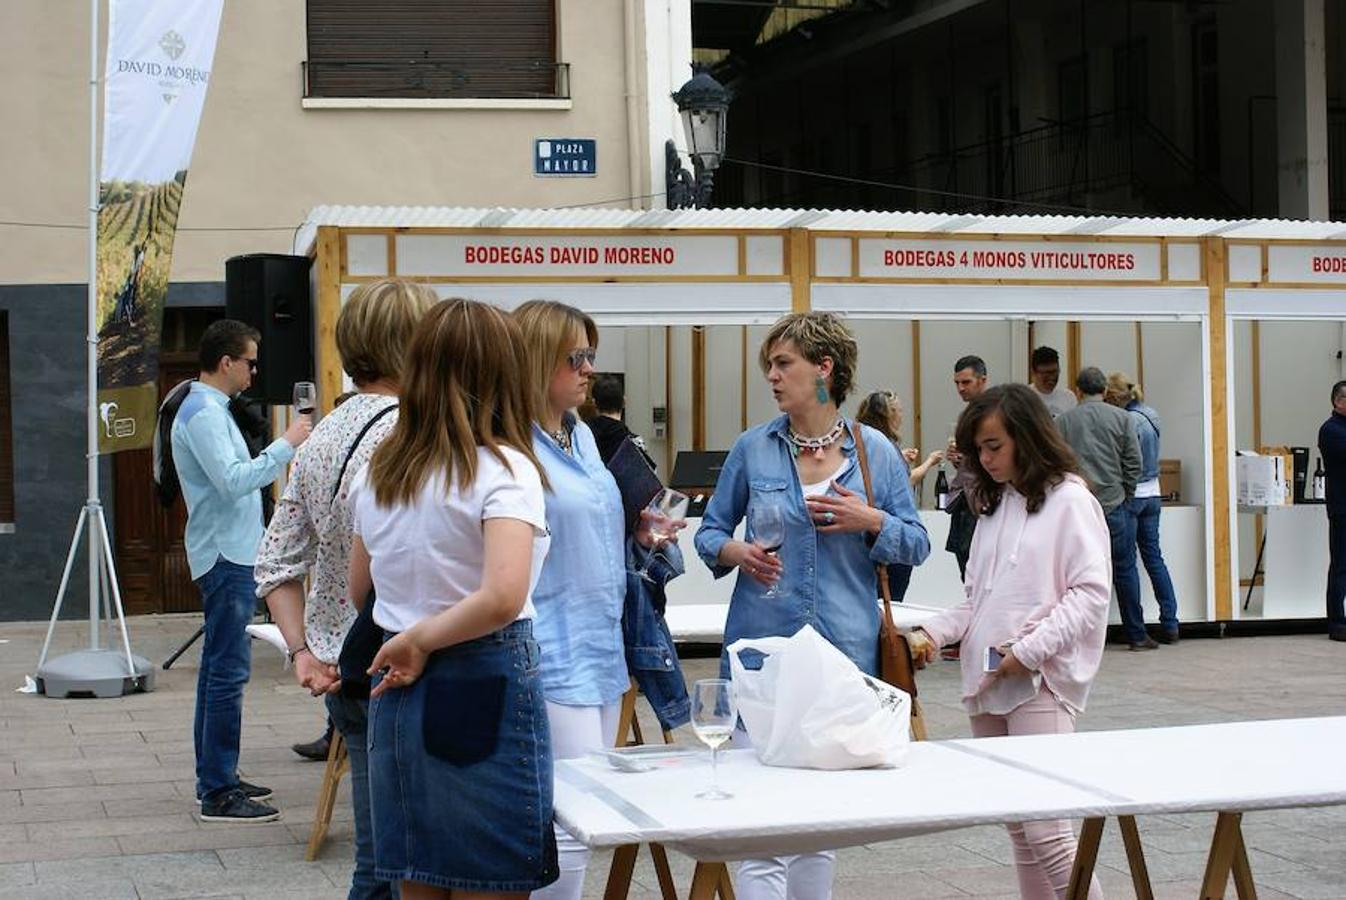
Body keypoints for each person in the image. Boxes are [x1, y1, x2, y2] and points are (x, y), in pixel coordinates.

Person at [695, 312, 929, 900]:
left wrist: (870, 519)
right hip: (763, 654)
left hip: (844, 657)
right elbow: (707, 533)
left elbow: (917, 542)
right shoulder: (754, 447)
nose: (771, 377)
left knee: (817, 828)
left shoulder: (874, 453)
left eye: (783, 364)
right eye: (769, 366)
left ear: (824, 369)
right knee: (760, 828)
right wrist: (735, 550)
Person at [351, 299, 558, 898]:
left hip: (397, 693)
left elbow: (360, 586)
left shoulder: (383, 469)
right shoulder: (505, 468)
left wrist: (411, 630)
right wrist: (422, 639)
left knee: (419, 876)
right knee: (490, 879)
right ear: (505, 374)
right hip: (482, 675)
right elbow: (501, 595)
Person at [256, 277, 437, 898]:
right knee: (410, 860)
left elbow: (275, 562)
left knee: (379, 852)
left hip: (345, 671)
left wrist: (304, 652)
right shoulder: (415, 435)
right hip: (409, 663)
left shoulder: (322, 436)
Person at [906, 384, 1110, 900]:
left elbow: (1090, 595)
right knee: (1020, 830)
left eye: (994, 445)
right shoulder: (994, 504)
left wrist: (1028, 652)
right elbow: (977, 602)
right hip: (988, 680)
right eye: (978, 449)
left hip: (1039, 682)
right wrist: (930, 633)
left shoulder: (1070, 498)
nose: (985, 458)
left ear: (1027, 435)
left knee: (1049, 834)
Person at [514, 300, 674, 900]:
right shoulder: (512, 444)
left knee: (587, 818)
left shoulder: (578, 432)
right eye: (575, 357)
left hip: (604, 644)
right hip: (551, 647)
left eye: (591, 356)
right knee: (573, 822)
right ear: (535, 361)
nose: (589, 370)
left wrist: (636, 530)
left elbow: (589, 516)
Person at [171, 319, 311, 822]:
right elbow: (232, 483)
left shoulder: (210, 409)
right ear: (226, 362)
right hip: (225, 555)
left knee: (219, 672)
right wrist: (287, 443)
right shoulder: (203, 413)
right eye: (250, 361)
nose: (255, 370)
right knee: (227, 673)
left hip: (230, 551)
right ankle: (217, 790)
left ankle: (217, 776)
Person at [1055, 367, 1147, 651]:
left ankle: (1082, 638)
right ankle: (1137, 634)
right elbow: (1135, 462)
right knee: (1125, 569)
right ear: (1105, 390)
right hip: (1115, 503)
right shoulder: (1123, 418)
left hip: (1079, 505)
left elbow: (1057, 461)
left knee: (1076, 574)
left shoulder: (1063, 422)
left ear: (1078, 391)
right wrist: (1127, 494)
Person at [1104, 372, 1180, 644]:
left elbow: (1125, 460)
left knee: (1126, 564)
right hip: (1154, 493)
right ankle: (1170, 623)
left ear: (1112, 396)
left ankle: (1136, 629)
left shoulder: (1125, 420)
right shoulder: (1152, 414)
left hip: (1132, 495)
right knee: (1154, 558)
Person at [855, 389, 942, 602]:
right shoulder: (886, 447)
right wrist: (930, 462)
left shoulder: (864, 444)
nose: (902, 415)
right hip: (889, 539)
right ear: (889, 414)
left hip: (875, 538)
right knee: (890, 602)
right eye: (899, 411)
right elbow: (908, 481)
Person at [946, 355, 990, 580]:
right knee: (967, 575)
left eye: (966, 382)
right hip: (963, 499)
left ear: (982, 380)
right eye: (957, 383)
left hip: (982, 501)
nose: (960, 389)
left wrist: (969, 456)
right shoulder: (966, 415)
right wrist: (957, 459)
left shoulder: (994, 414)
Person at [1319, 380, 1346, 642]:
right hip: (1341, 507)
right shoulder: (1330, 430)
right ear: (1338, 402)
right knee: (1341, 565)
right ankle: (1337, 623)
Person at [584, 372, 656, 469]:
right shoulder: (634, 442)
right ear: (624, 402)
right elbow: (649, 478)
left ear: (594, 403)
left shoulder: (582, 437)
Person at [1029, 346, 1077, 418]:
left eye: (1054, 372)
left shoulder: (1068, 397)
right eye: (1046, 373)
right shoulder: (1024, 397)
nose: (1051, 377)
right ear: (1033, 372)